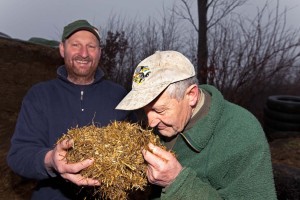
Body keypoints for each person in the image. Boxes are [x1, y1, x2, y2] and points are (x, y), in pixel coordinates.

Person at [116, 50, 277, 199]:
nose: (150, 123)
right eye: (145, 111)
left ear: (191, 95)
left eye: (160, 110)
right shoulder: (160, 127)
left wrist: (177, 182)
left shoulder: (241, 133)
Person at [7, 19, 135, 200]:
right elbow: (18, 156)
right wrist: (50, 160)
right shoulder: (40, 95)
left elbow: (136, 149)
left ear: (99, 53)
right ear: (62, 49)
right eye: (76, 45)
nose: (84, 53)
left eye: (91, 46)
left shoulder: (119, 96)